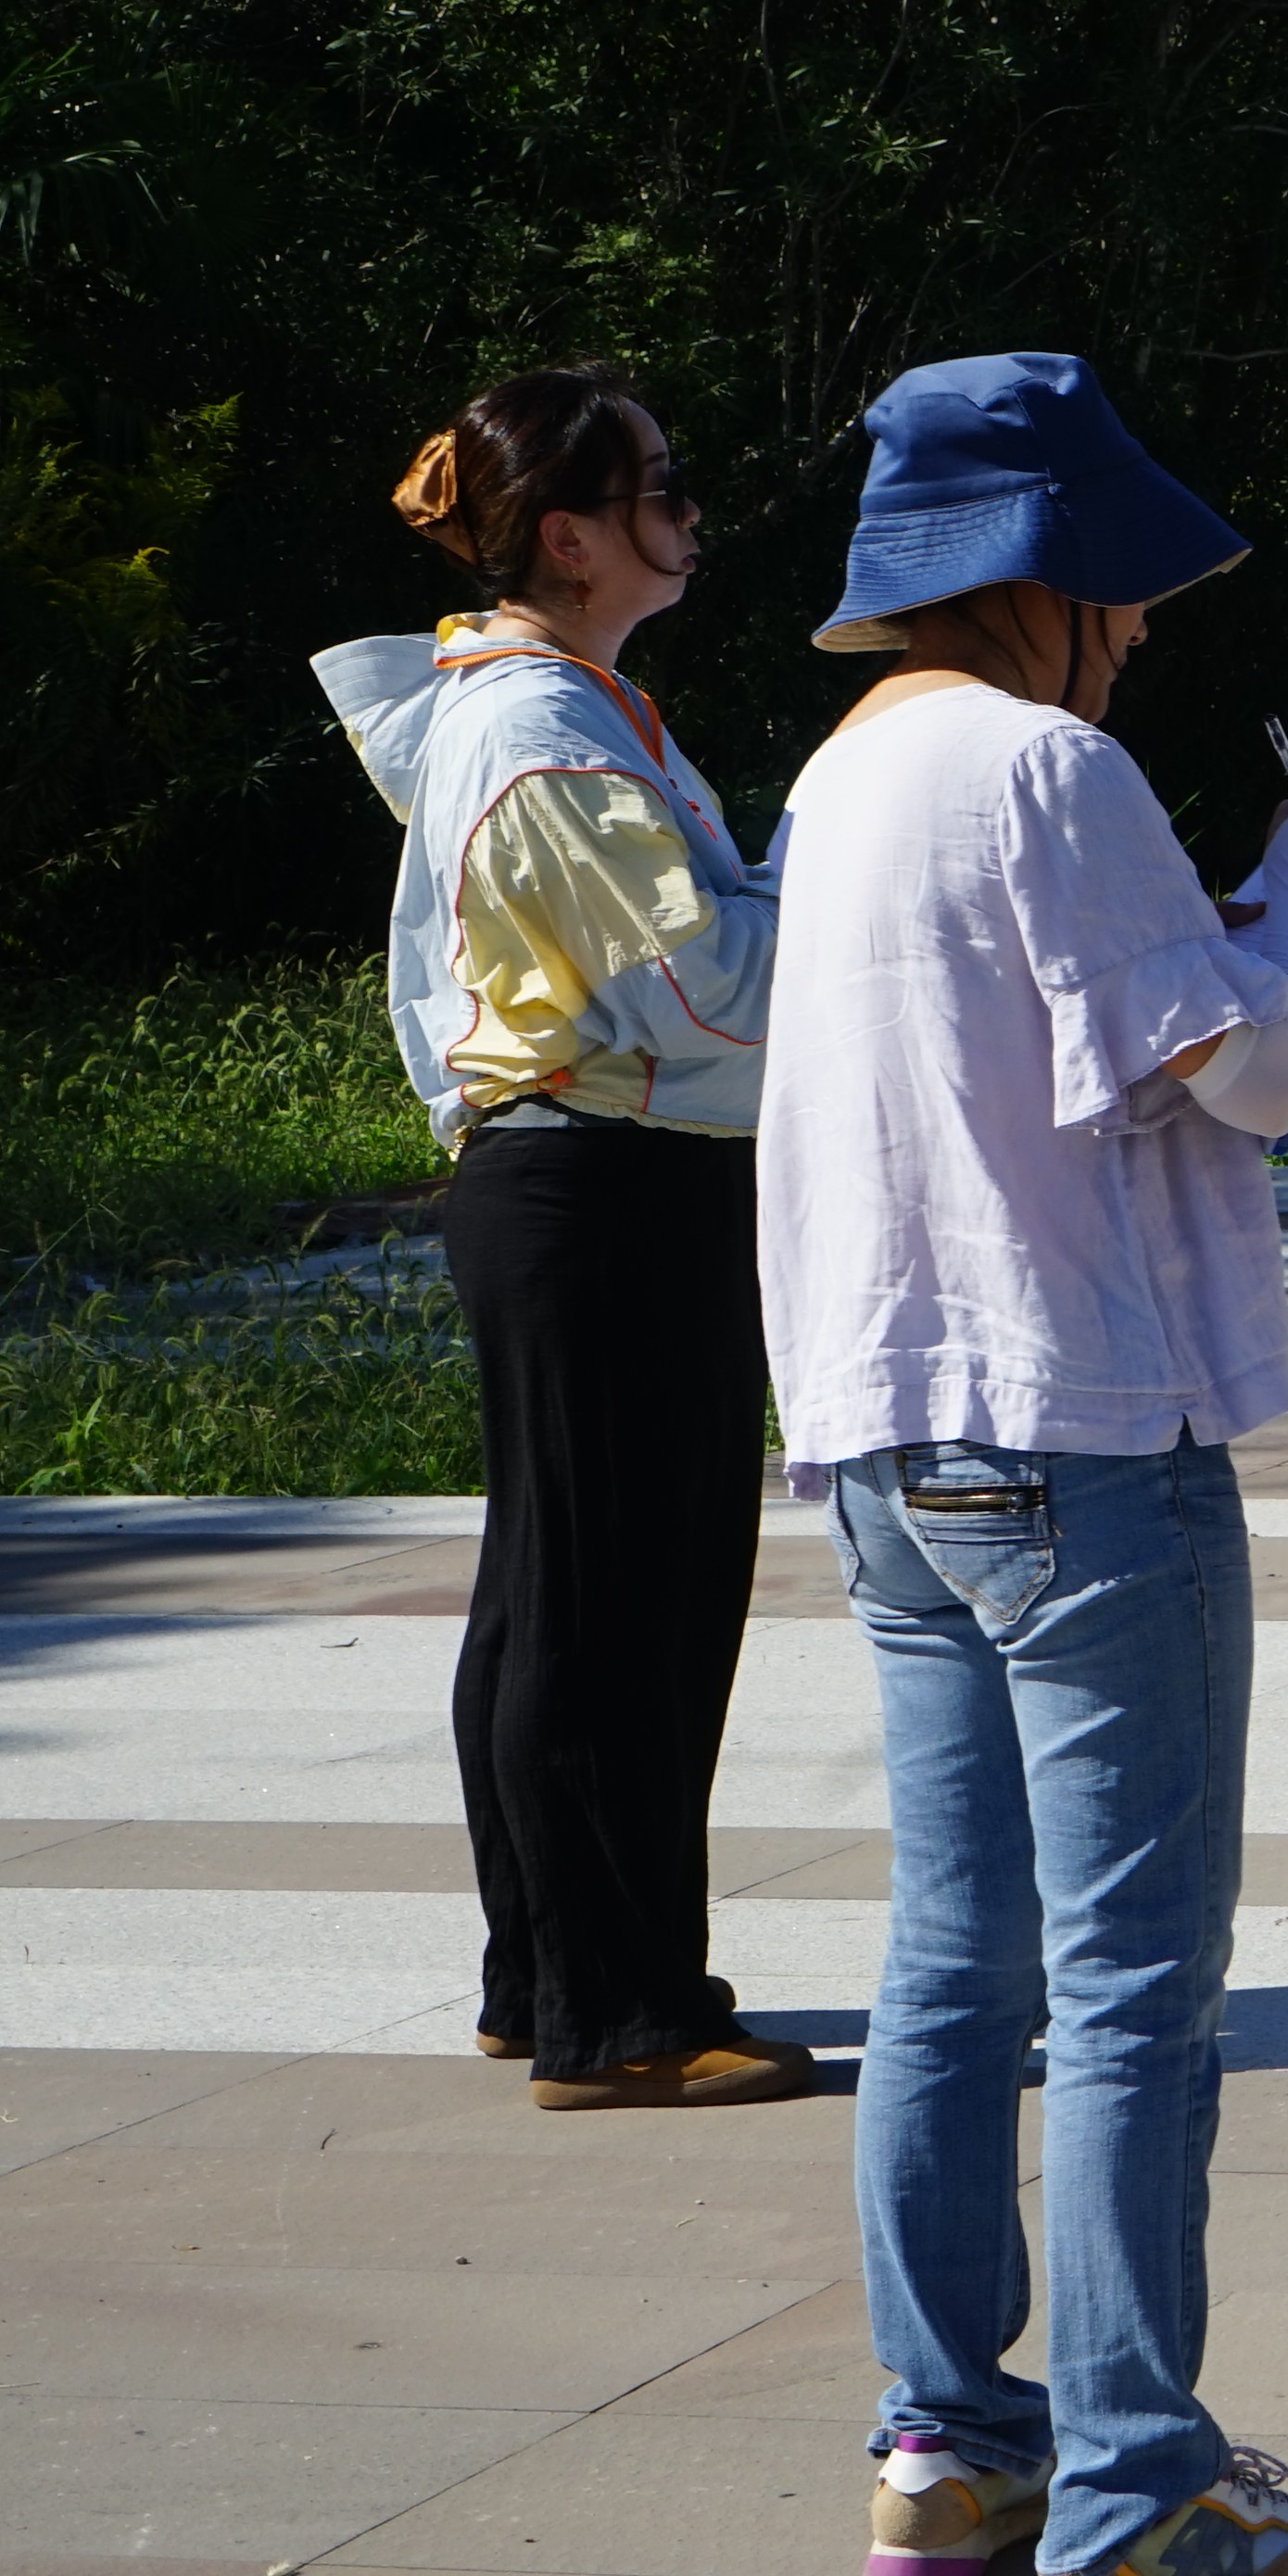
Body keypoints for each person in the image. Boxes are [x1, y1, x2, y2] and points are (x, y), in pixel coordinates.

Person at [755, 353, 1288, 2576]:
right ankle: (1140, 2480)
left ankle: (947, 2441)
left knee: (952, 1961)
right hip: (1085, 1423)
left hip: (885, 1421)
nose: (1131, 631)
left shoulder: (843, 770)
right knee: (1133, 1987)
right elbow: (1251, 1072)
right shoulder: (1047, 764)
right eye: (1114, 589)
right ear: (1036, 577)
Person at [313, 368, 802, 2116]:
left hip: (590, 1180)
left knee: (563, 1593)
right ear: (573, 539)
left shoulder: (555, 707)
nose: (689, 509)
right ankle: (623, 2014)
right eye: (661, 486)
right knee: (619, 1607)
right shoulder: (547, 734)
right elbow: (708, 990)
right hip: (606, 1182)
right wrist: (844, 877)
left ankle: (549, 1980)